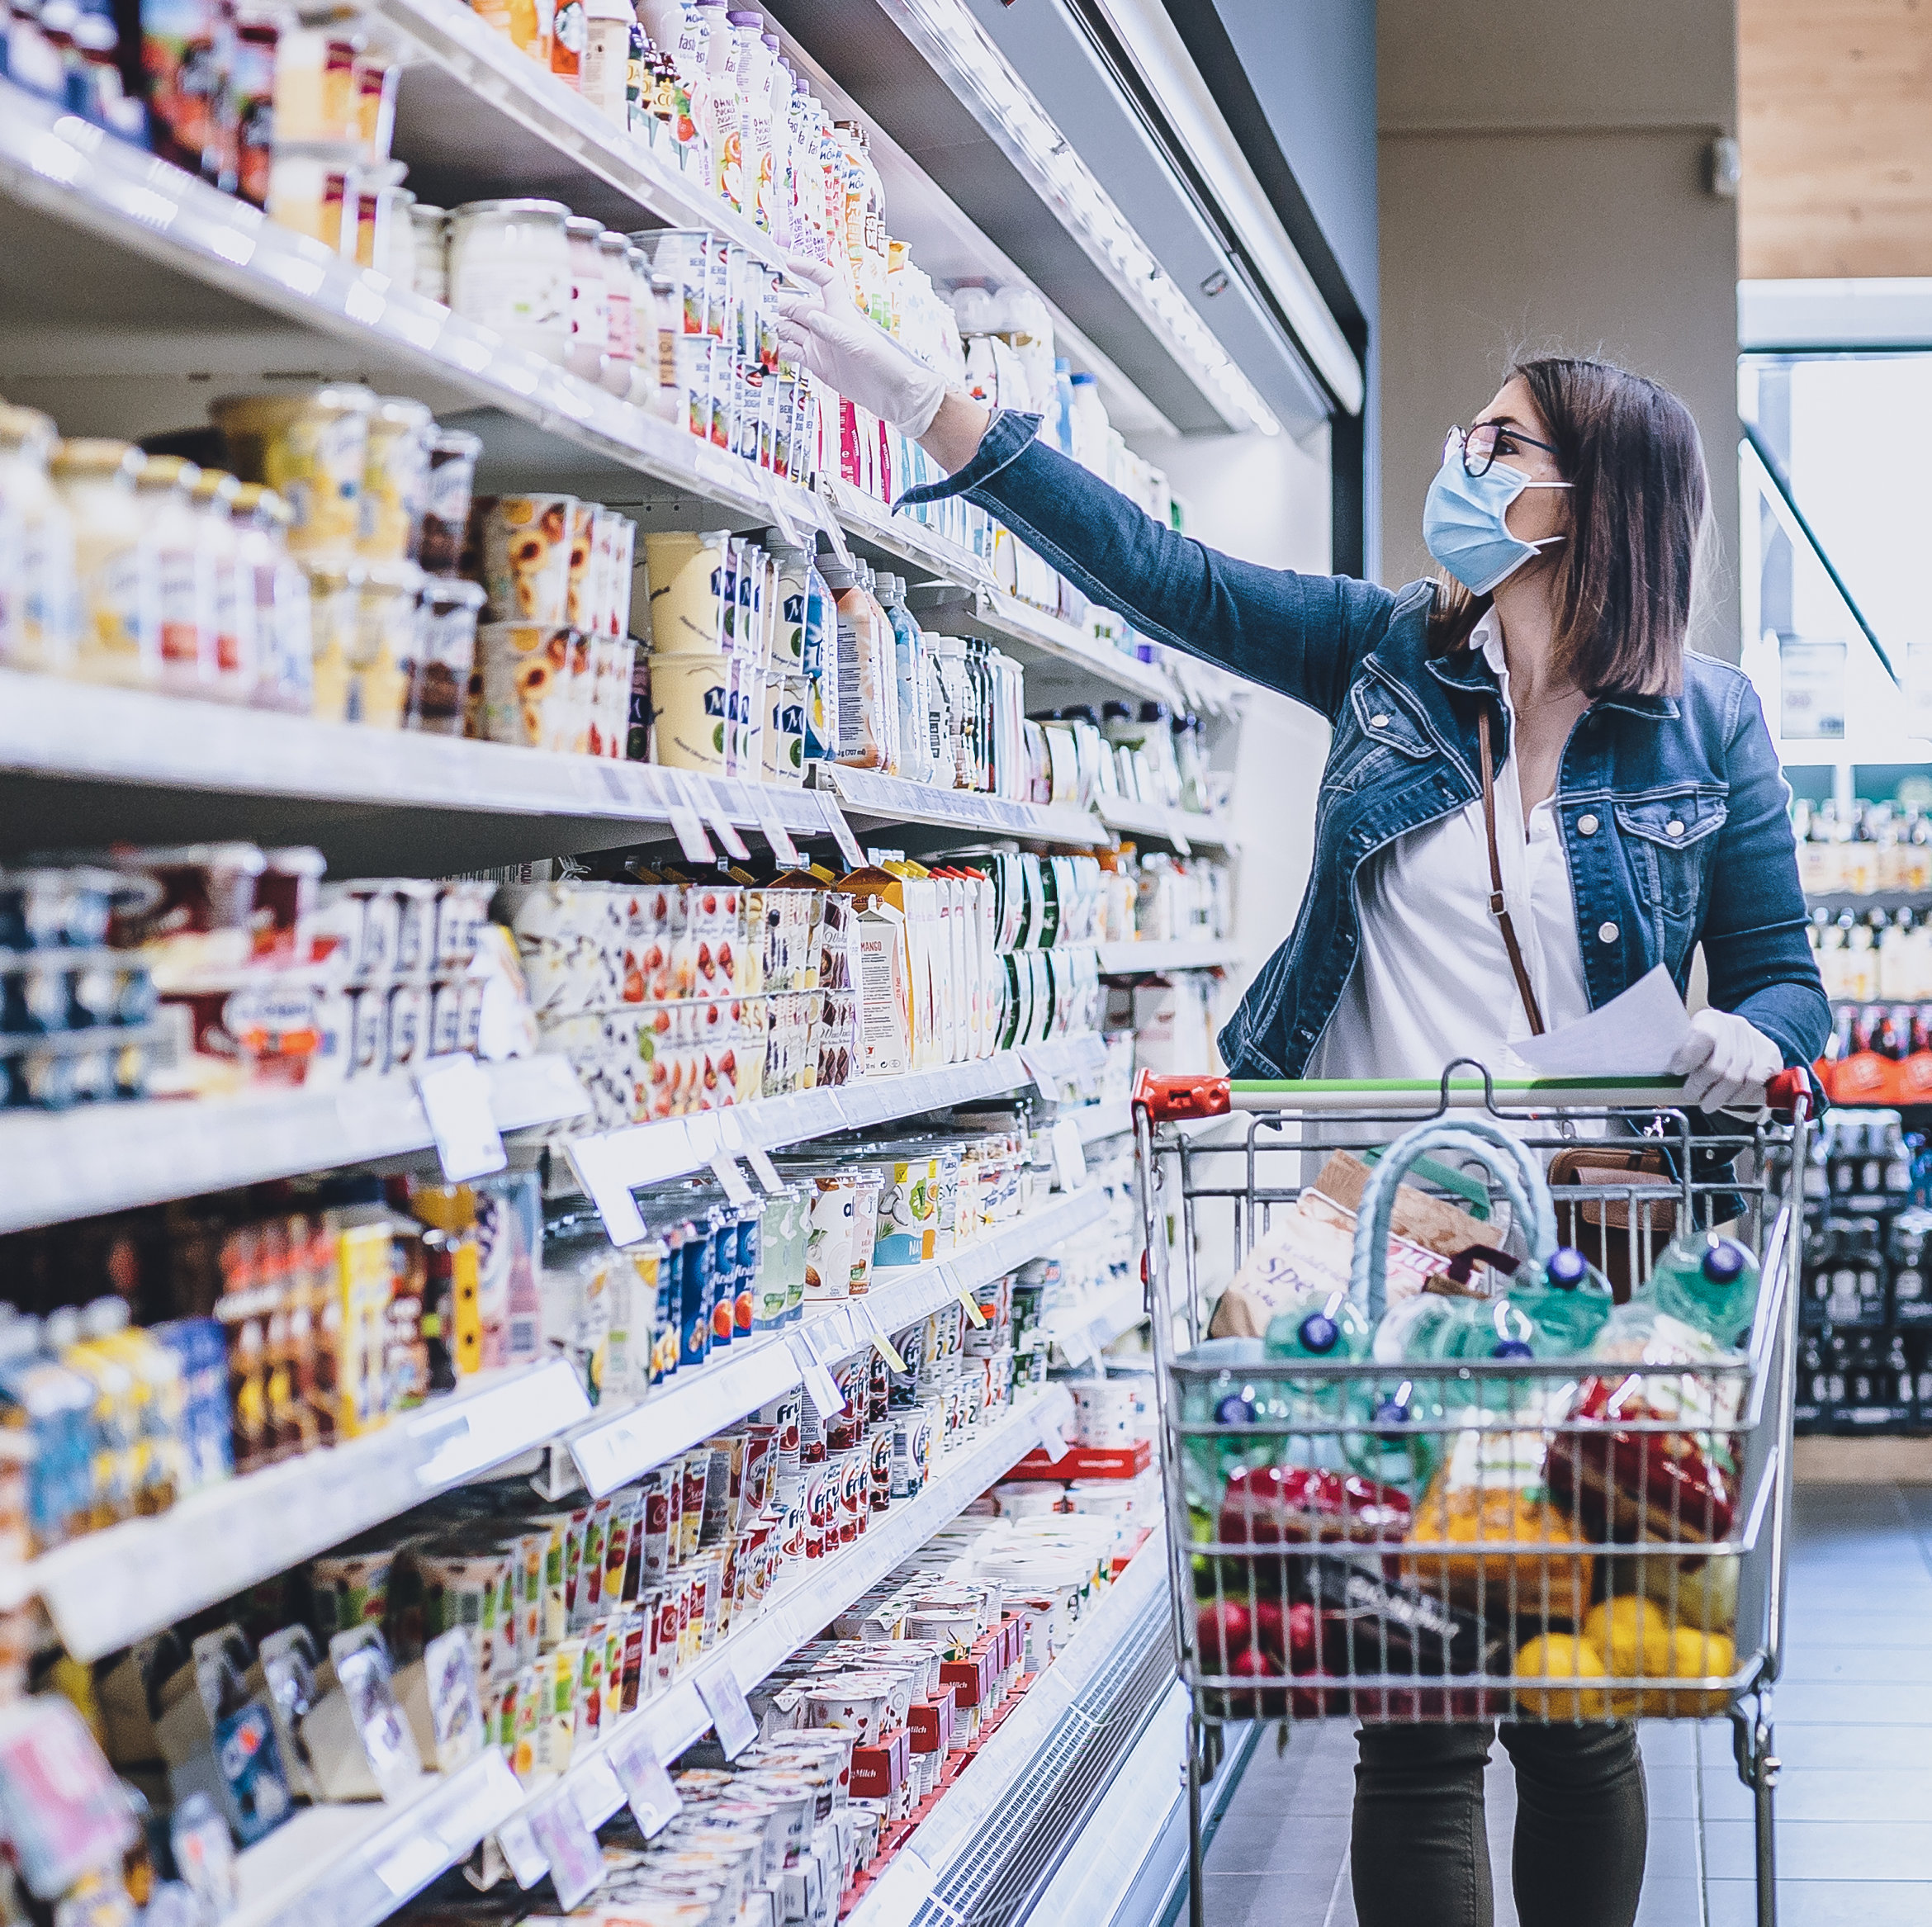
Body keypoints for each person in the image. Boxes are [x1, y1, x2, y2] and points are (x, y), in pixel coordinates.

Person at [777, 265, 1825, 1927]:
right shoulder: (1383, 657)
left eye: (1493, 444)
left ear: (1586, 503)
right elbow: (1164, 575)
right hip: (1372, 1244)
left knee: (1570, 1699)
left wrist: (1753, 1044)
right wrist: (929, 404)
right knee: (1410, 1707)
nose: (1454, 463)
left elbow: (1783, 975)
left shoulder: (1707, 725)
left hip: (1606, 1259)